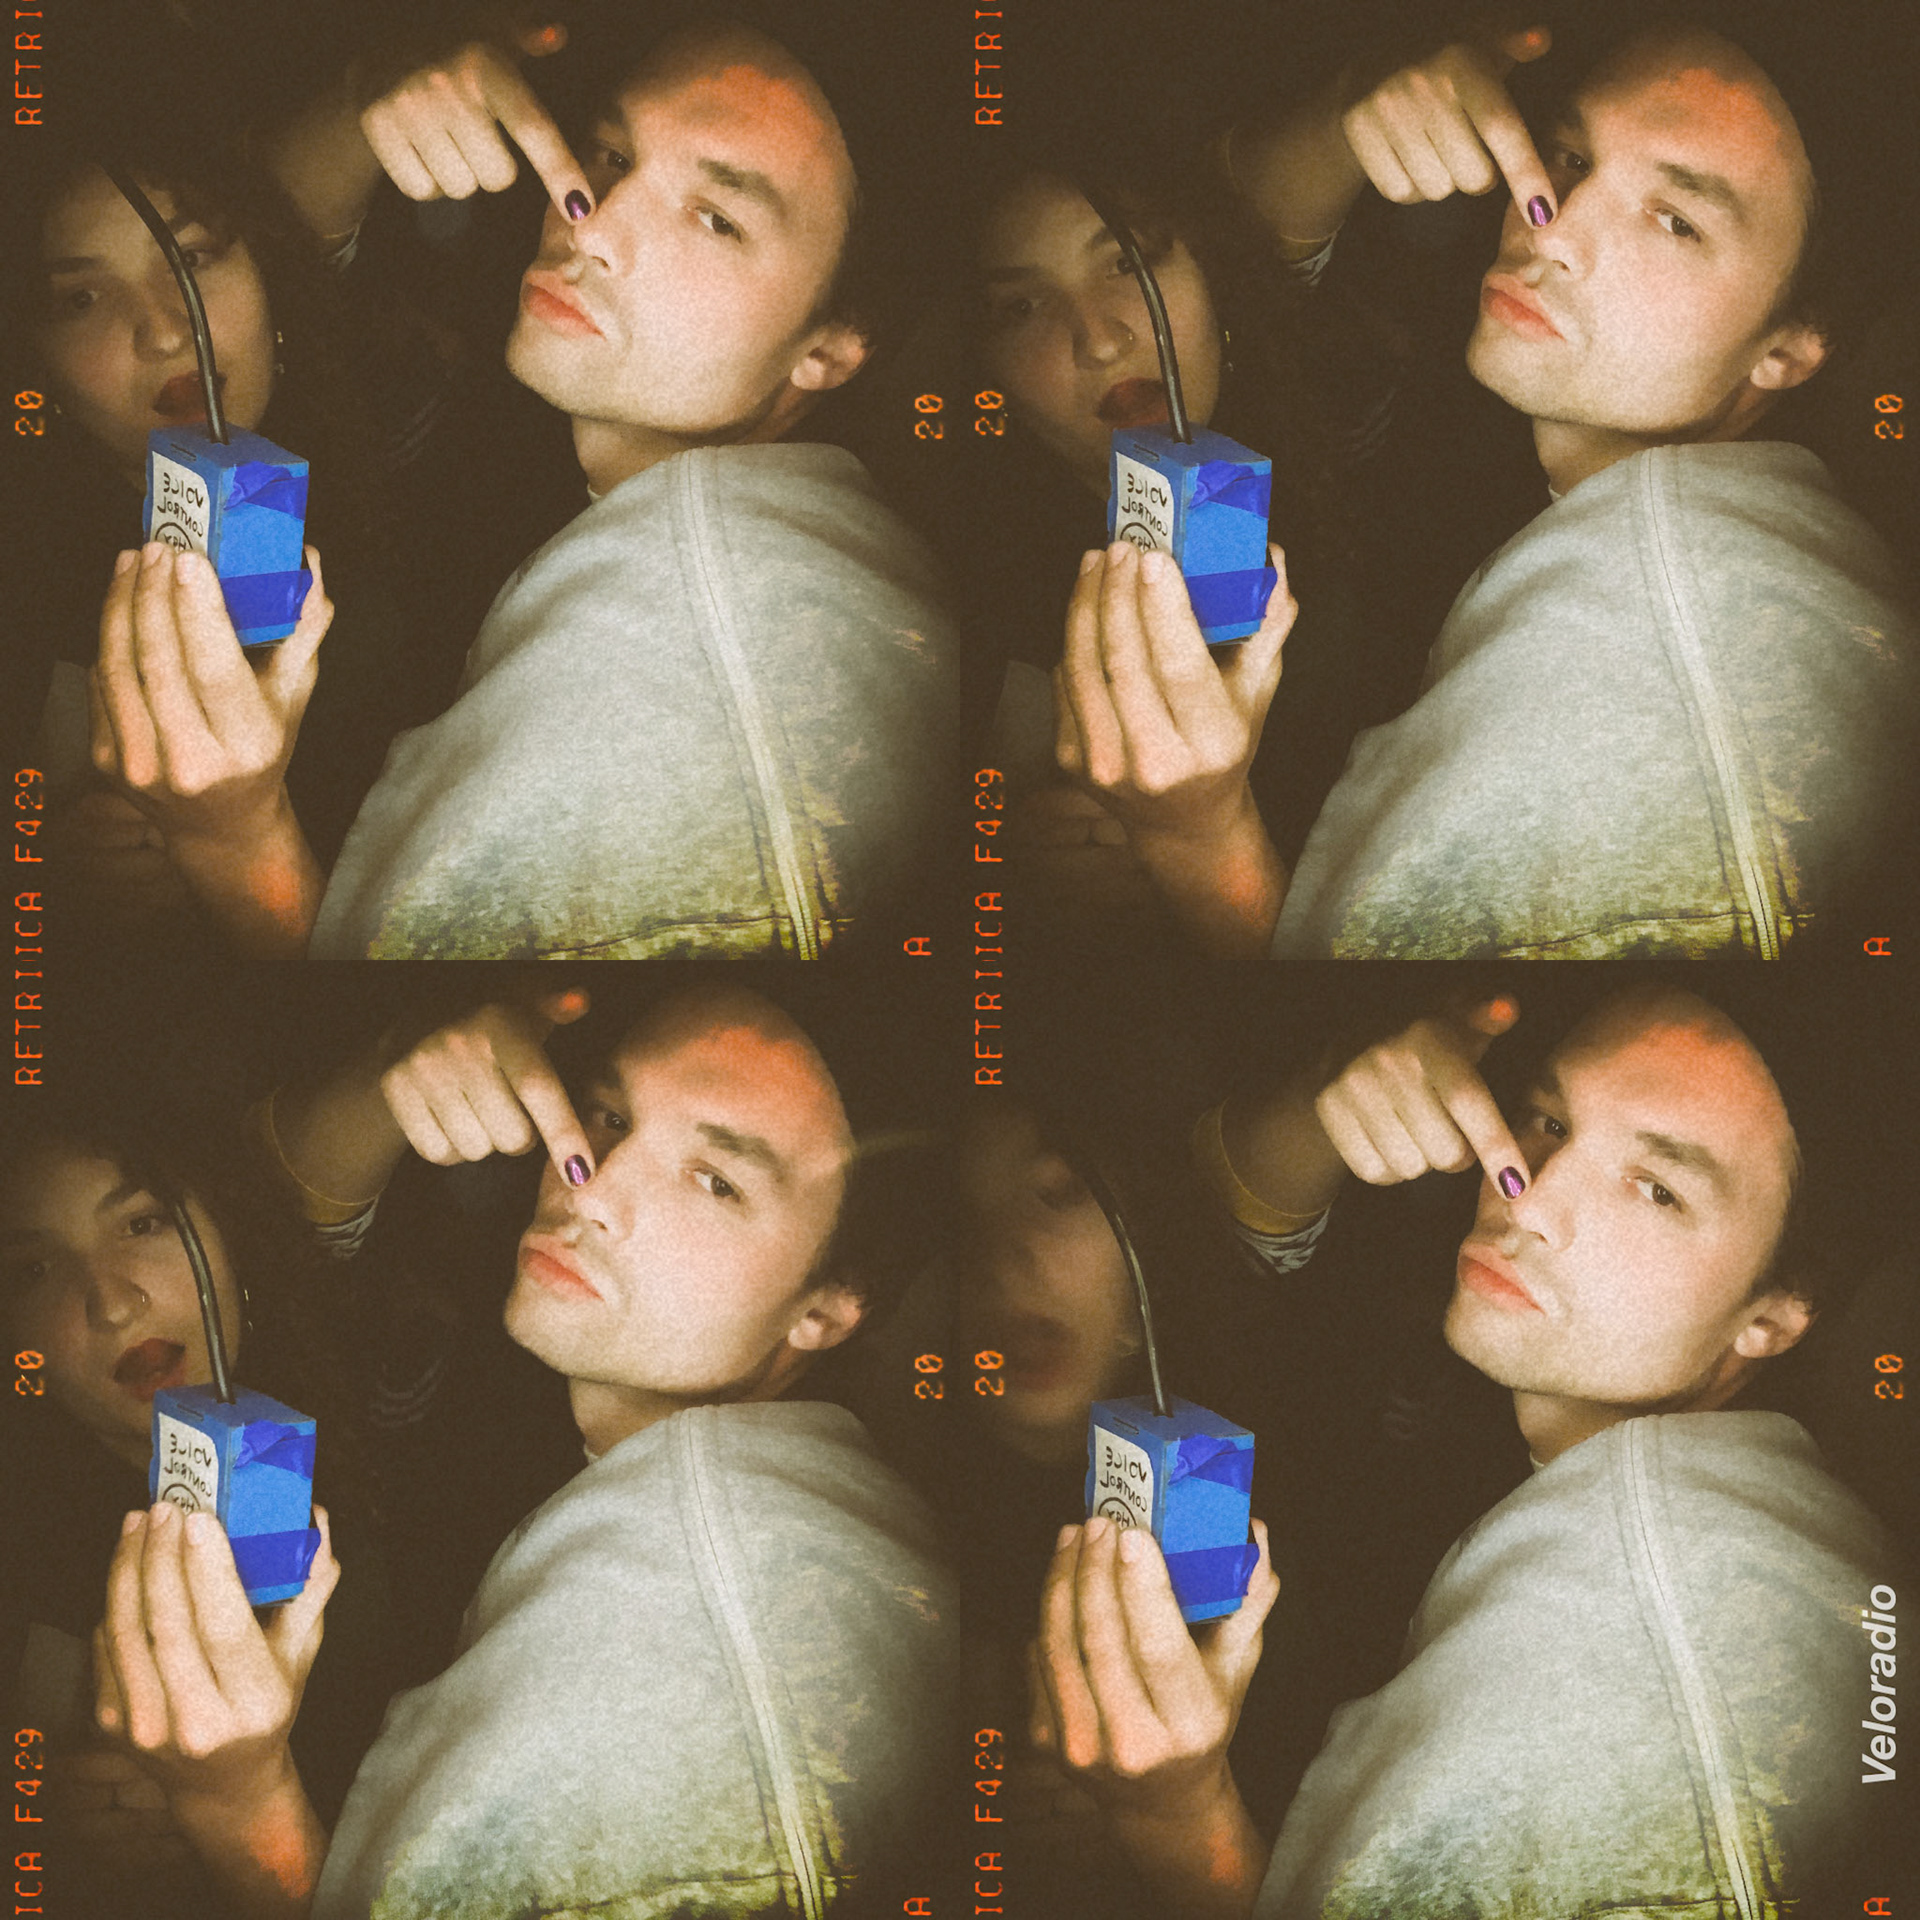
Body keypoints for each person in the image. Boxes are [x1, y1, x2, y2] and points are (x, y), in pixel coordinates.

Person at [90, 4, 958, 960]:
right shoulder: (696, 493)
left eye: (716, 218)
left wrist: (231, 841)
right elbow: (266, 250)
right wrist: (364, 88)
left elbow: (394, 1021)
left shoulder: (665, 664)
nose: (596, 228)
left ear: (830, 349)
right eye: (612, 156)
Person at [1058, 2, 1916, 957]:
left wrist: (1195, 839)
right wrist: (1350, 98)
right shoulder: (1656, 498)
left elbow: (1353, 1010)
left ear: (1788, 350)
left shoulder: (1634, 667)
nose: (1555, 230)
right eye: (1571, 157)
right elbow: (1233, 243)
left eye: (1676, 221)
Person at [1031, 978, 1901, 1916]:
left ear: (1773, 1317)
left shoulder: (1615, 1624)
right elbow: (1213, 1228)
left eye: (1657, 1189)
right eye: (1550, 1122)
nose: (1531, 1201)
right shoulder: (1583, 1410)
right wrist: (1332, 1085)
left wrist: (1175, 1820)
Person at [94, 979, 956, 1918]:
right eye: (609, 1117)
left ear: (826, 1309)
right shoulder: (689, 1460)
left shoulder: (668, 1613)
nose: (594, 1191)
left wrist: (235, 1804)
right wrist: (396, 1058)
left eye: (715, 1180)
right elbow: (255, 1221)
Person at [0, 1074, 398, 1920]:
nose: (113, 1302)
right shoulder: (25, 1544)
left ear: (224, 1225)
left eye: (141, 1224)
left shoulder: (383, 1418)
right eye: (32, 1269)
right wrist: (42, 1824)